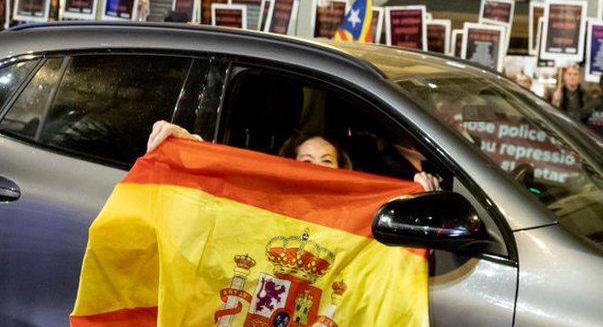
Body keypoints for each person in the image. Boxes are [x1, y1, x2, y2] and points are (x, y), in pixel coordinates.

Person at [146, 121, 441, 191]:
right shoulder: (270, 199)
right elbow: (229, 183)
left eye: (327, 161)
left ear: (343, 169)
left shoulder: (358, 214)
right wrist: (190, 146)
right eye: (307, 162)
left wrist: (415, 191)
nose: (318, 169)